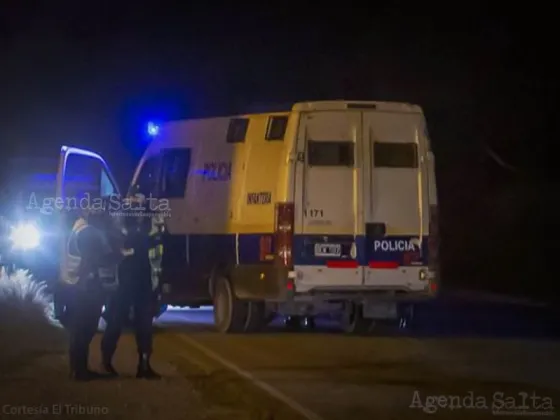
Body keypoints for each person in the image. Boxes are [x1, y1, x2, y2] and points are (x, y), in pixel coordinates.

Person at [101, 203, 162, 379]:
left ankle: (144, 365)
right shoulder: (121, 229)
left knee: (143, 324)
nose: (140, 214)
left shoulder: (147, 229)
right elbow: (118, 251)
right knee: (116, 320)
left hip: (142, 282)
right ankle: (106, 361)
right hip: (125, 282)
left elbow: (155, 254)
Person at [62, 206, 123, 381]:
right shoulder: (89, 233)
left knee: (80, 329)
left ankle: (78, 369)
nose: (104, 216)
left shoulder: (79, 229)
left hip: (80, 285)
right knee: (85, 329)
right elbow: (95, 259)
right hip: (89, 286)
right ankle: (80, 371)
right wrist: (120, 256)